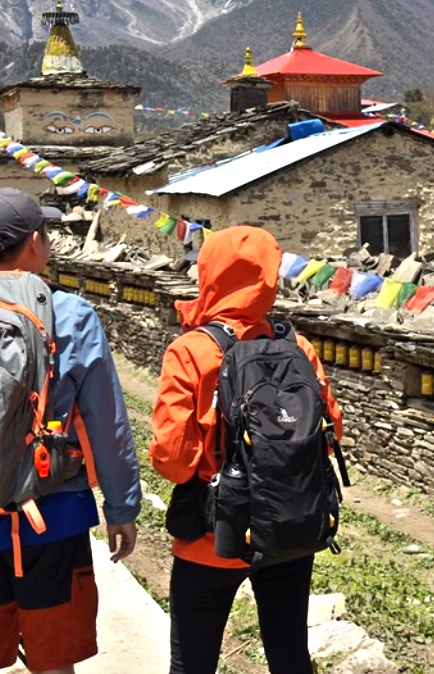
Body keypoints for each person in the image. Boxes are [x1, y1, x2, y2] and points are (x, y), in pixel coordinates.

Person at [0, 188, 141, 674]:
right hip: (51, 516)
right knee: (53, 659)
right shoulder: (71, 315)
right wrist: (122, 508)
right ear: (36, 241)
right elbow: (107, 422)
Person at [151, 225, 343, 674]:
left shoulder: (191, 352)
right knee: (290, 654)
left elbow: (174, 460)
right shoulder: (297, 347)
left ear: (209, 274)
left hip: (209, 537)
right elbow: (332, 431)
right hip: (289, 529)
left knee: (193, 663)